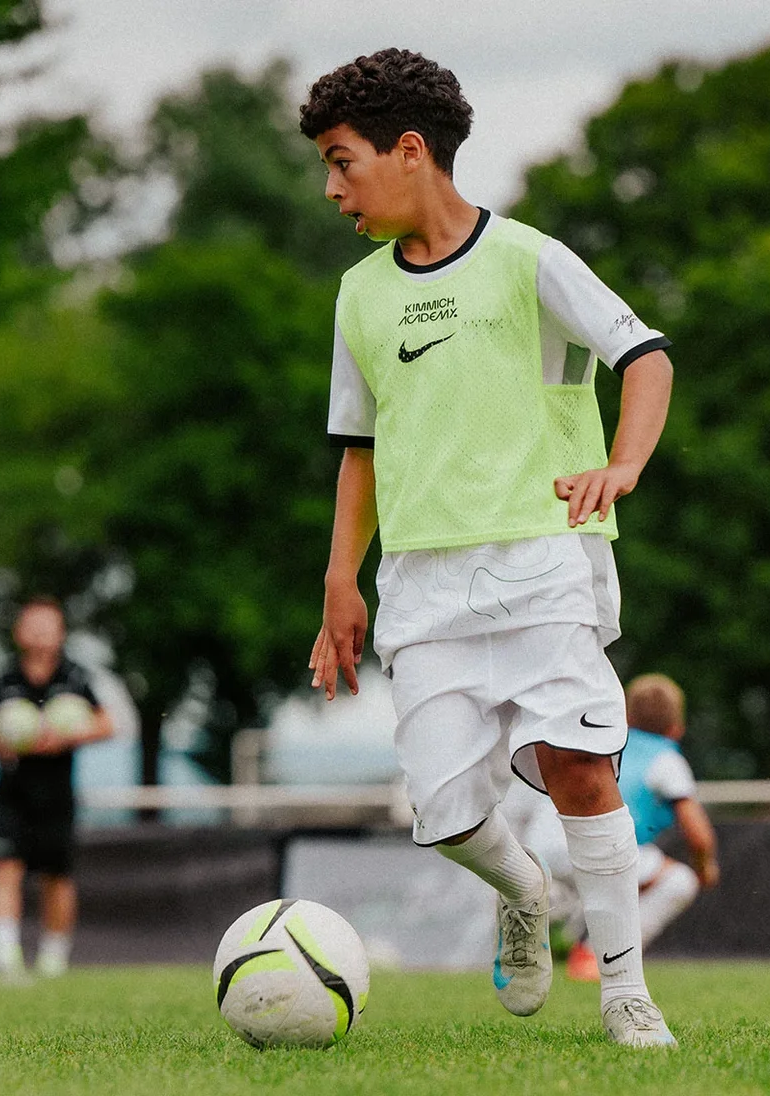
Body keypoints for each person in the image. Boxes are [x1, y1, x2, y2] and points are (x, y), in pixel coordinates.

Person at [299, 48, 681, 1048]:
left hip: (543, 556)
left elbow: (643, 356)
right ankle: (521, 887)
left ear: (410, 151)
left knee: (581, 766)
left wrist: (623, 466)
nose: (333, 188)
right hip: (421, 584)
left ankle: (625, 993)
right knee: (443, 810)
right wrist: (341, 580)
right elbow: (358, 449)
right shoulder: (358, 296)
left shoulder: (527, 258)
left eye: (343, 162)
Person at [0, 597, 114, 983]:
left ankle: (53, 962)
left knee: (56, 877)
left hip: (57, 794)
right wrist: (9, 741)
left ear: (60, 633)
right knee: (4, 870)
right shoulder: (3, 680)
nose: (39, 635)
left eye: (47, 627)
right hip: (11, 792)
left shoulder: (76, 678)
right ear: (19, 632)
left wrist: (67, 735)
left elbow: (107, 725)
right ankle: (6, 963)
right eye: (32, 626)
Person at [567, 673, 718, 982]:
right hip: (603, 850)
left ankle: (562, 924)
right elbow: (699, 836)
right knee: (679, 880)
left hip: (552, 842)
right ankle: (597, 955)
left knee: (623, 877)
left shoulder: (601, 743)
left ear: (625, 716)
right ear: (677, 729)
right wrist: (705, 868)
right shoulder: (665, 759)